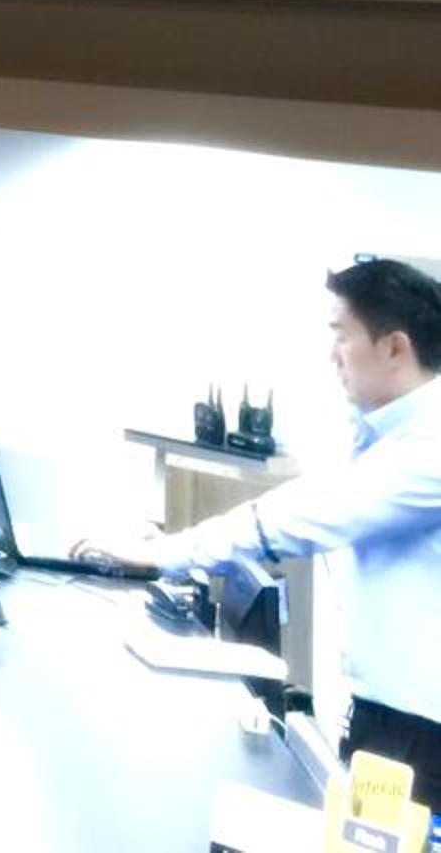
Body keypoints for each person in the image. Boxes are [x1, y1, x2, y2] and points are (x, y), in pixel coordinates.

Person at [83, 259, 441, 802]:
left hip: (421, 742)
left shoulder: (428, 448)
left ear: (395, 348)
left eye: (342, 336)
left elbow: (304, 516)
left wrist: (163, 555)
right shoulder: (390, 435)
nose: (333, 356)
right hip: (392, 725)